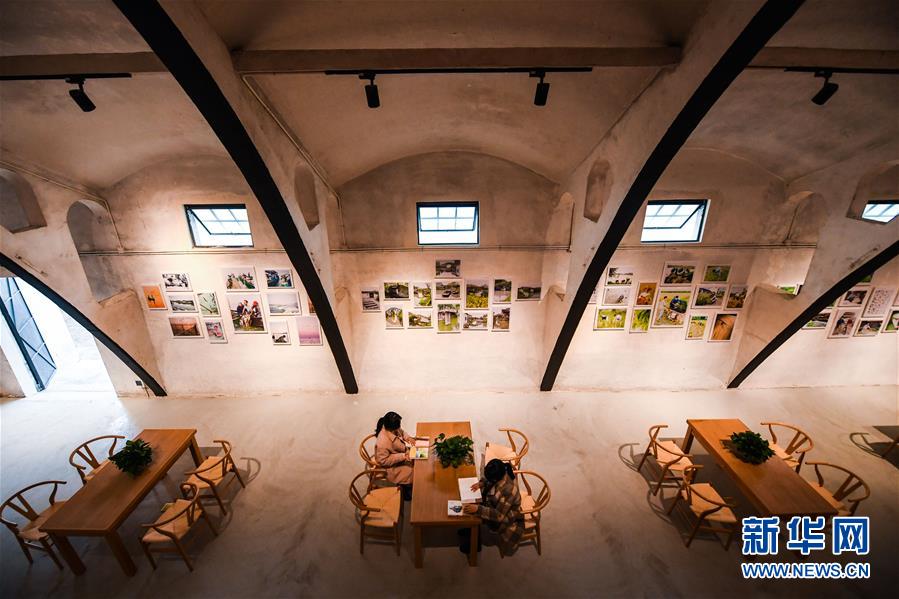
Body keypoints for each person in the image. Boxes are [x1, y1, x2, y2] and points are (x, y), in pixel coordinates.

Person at [461, 458, 523, 556]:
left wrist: (478, 509)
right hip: (495, 504)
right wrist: (482, 483)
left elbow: (499, 515)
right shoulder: (501, 468)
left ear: (495, 479)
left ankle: (474, 543)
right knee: (472, 506)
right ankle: (470, 531)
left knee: (474, 513)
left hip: (507, 515)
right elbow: (490, 478)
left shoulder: (508, 490)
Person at [374, 412, 416, 499]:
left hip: (402, 454)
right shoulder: (382, 442)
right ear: (391, 428)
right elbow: (383, 461)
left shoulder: (392, 427)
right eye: (398, 425)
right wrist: (403, 456)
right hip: (392, 467)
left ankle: (408, 487)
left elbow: (402, 432)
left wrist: (408, 438)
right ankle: (406, 492)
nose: (399, 427)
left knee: (418, 463)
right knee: (414, 472)